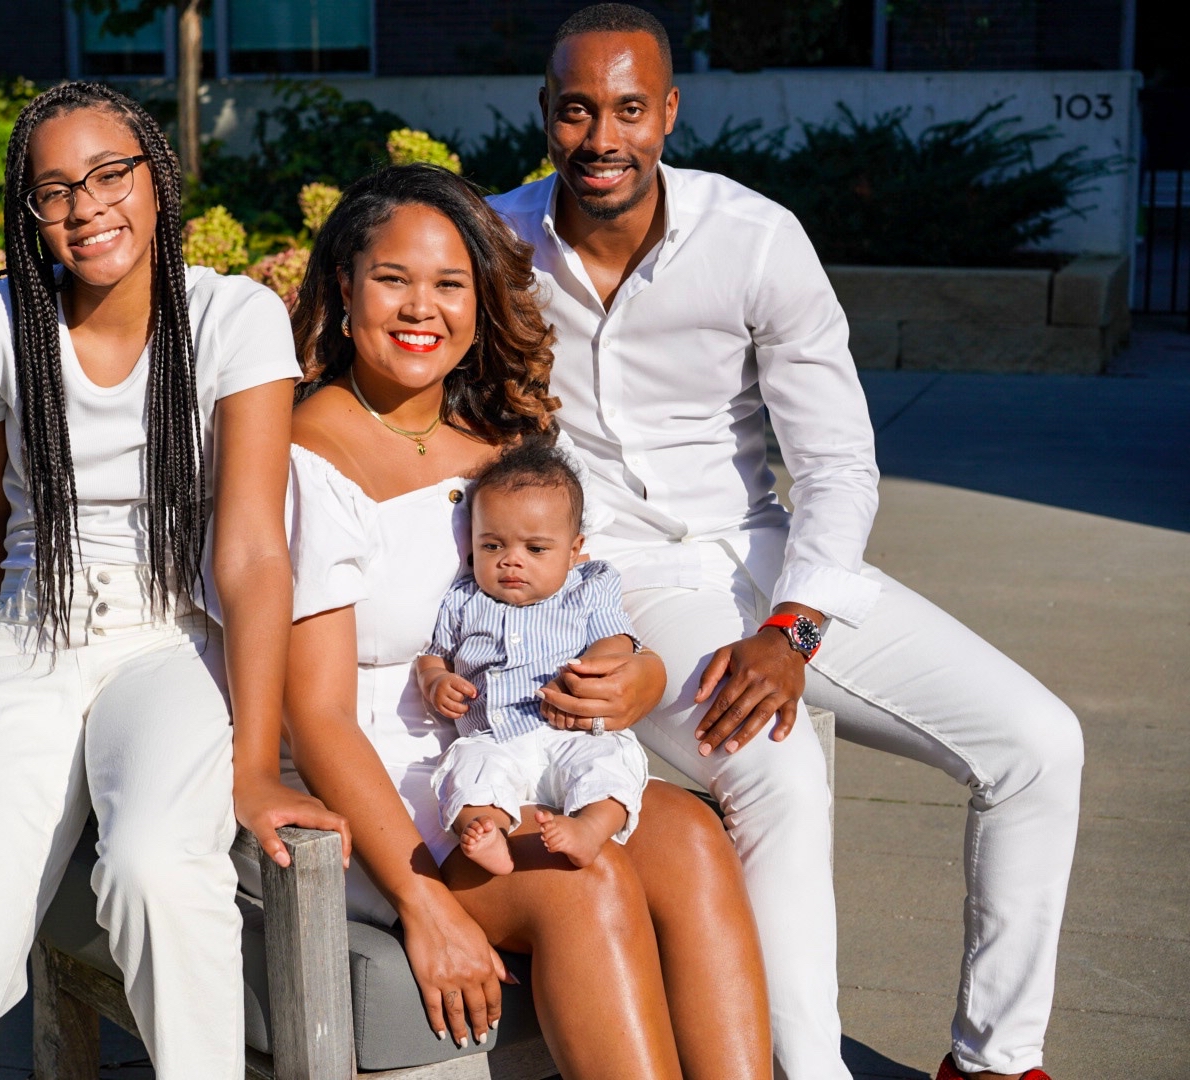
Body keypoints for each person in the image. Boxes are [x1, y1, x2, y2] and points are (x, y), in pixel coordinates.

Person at [486, 6, 1083, 1080]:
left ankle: (992, 1058)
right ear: (545, 116)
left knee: (1036, 742)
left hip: (773, 557)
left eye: (628, 108)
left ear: (668, 112)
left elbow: (837, 463)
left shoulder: (752, 238)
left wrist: (794, 626)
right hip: (625, 580)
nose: (601, 137)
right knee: (772, 770)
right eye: (576, 111)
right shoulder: (496, 245)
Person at [0, 82, 344, 1079]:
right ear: (28, 214)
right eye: (54, 188)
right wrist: (18, 673)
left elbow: (249, 551)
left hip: (171, 640)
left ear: (155, 177)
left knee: (156, 870)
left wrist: (250, 762)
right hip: (32, 636)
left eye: (110, 173)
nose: (86, 205)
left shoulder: (231, 318)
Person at [277, 162, 773, 1079]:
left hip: (530, 750)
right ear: (343, 289)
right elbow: (316, 720)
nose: (421, 308)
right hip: (388, 799)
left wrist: (645, 674)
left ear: (480, 301)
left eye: (450, 284)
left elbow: (593, 601)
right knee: (590, 883)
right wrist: (424, 904)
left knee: (695, 838)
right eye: (392, 279)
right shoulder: (308, 454)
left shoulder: (507, 448)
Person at [416, 441, 650, 875]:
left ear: (574, 549)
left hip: (571, 733)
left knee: (612, 763)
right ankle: (486, 831)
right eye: (492, 546)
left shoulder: (588, 587)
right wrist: (435, 682)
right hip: (494, 737)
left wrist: (586, 673)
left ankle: (591, 829)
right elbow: (434, 656)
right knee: (467, 769)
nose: (511, 561)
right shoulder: (464, 599)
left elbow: (615, 641)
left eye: (536, 549)